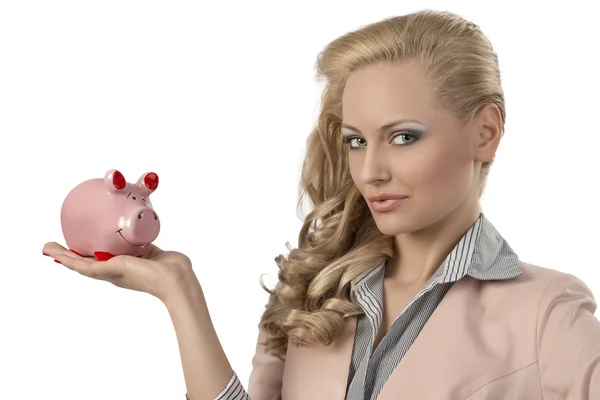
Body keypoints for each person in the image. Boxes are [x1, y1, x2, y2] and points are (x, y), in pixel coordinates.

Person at [42, 9, 600, 400]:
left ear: (485, 132)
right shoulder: (316, 286)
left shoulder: (547, 313)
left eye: (403, 136)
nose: (369, 170)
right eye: (356, 139)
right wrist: (179, 291)